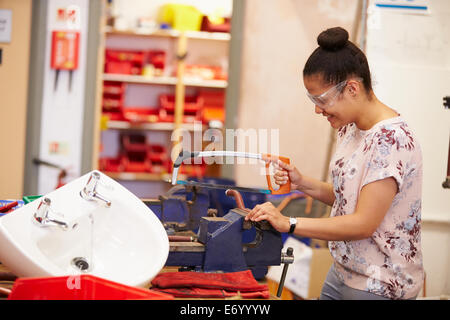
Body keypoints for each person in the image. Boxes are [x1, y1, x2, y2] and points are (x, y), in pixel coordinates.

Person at [245, 27, 424, 300]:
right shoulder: (350, 128)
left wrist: (289, 223)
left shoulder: (391, 140)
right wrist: (302, 183)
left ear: (351, 88)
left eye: (321, 99)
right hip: (343, 271)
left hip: (379, 283)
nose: (317, 109)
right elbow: (349, 199)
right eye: (312, 99)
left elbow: (362, 223)